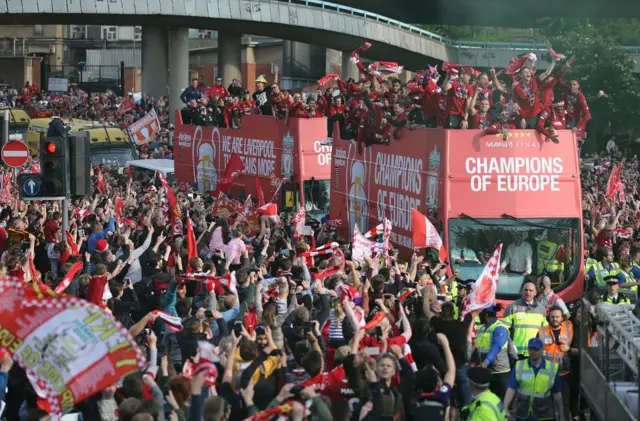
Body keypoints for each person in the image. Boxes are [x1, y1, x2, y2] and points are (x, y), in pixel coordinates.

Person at [503, 337, 564, 421]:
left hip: (544, 415)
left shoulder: (552, 368)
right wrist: (505, 408)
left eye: (536, 349)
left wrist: (562, 416)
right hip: (523, 414)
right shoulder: (519, 365)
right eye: (530, 348)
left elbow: (557, 394)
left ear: (542, 350)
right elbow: (511, 388)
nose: (532, 352)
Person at [538, 305, 573, 421]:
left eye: (557, 317)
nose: (555, 319)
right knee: (548, 401)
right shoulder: (542, 330)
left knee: (565, 401)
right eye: (552, 317)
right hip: (547, 372)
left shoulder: (569, 327)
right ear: (549, 317)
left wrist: (569, 348)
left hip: (564, 372)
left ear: (562, 318)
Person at [473, 304, 511, 399]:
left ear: (486, 315)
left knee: (499, 401)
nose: (479, 316)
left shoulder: (499, 328)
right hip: (486, 370)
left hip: (499, 372)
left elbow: (496, 346)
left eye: (480, 314)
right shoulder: (482, 328)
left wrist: (486, 361)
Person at [501, 282, 547, 358]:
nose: (528, 292)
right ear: (522, 291)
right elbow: (503, 330)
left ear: (535, 293)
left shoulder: (541, 309)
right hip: (516, 354)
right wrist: (510, 347)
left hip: (535, 353)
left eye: (530, 290)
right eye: (525, 290)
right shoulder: (512, 307)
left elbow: (546, 331)